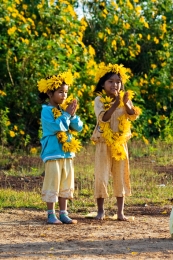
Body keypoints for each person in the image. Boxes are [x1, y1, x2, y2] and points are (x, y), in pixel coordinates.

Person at [91, 63, 141, 221]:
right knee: (101, 175)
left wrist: (125, 102)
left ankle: (120, 212)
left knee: (121, 175)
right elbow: (103, 119)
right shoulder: (99, 100)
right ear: (103, 84)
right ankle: (101, 211)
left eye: (118, 81)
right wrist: (115, 104)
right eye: (110, 82)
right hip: (103, 143)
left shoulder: (125, 98)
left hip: (120, 143)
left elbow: (132, 115)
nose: (115, 85)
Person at [38, 72, 83, 224]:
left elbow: (77, 127)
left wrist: (72, 115)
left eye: (66, 92)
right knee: (53, 182)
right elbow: (57, 127)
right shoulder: (46, 111)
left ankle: (63, 213)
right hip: (53, 153)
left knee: (66, 182)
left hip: (67, 153)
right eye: (60, 92)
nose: (64, 95)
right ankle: (51, 214)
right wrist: (66, 115)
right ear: (50, 93)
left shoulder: (65, 111)